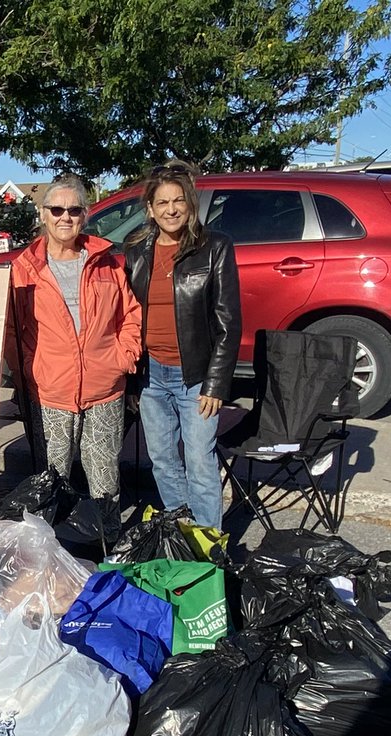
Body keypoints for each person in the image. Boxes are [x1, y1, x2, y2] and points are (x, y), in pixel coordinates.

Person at [8, 174, 142, 535]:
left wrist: (122, 358)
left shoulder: (106, 263)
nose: (65, 217)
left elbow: (130, 314)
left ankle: (108, 551)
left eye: (74, 209)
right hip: (50, 391)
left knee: (105, 483)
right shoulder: (23, 269)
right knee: (49, 483)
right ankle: (47, 556)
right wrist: (28, 368)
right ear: (43, 214)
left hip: (104, 388)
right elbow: (13, 331)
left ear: (85, 215)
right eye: (57, 209)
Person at [124, 163, 241, 529]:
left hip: (196, 378)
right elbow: (128, 315)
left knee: (200, 462)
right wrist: (131, 377)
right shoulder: (137, 251)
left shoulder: (214, 248)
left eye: (178, 201)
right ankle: (182, 532)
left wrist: (216, 383)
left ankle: (208, 549)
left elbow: (228, 322)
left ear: (190, 204)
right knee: (162, 461)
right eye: (162, 202)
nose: (171, 209)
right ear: (150, 208)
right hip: (151, 377)